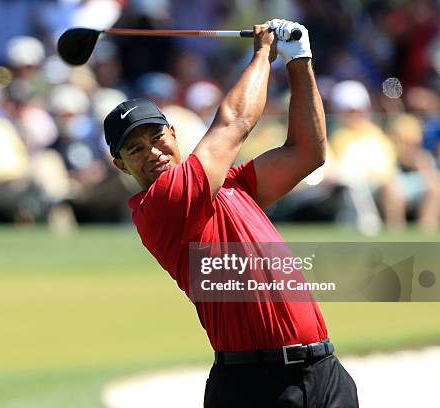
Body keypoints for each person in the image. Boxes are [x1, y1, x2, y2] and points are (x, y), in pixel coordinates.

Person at [102, 19, 358, 407]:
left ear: (173, 133)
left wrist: (300, 62)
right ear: (122, 166)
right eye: (135, 149)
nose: (152, 152)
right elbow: (235, 122)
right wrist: (263, 54)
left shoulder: (231, 185)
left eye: (156, 138)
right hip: (256, 387)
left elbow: (307, 153)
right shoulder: (163, 205)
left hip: (324, 372)